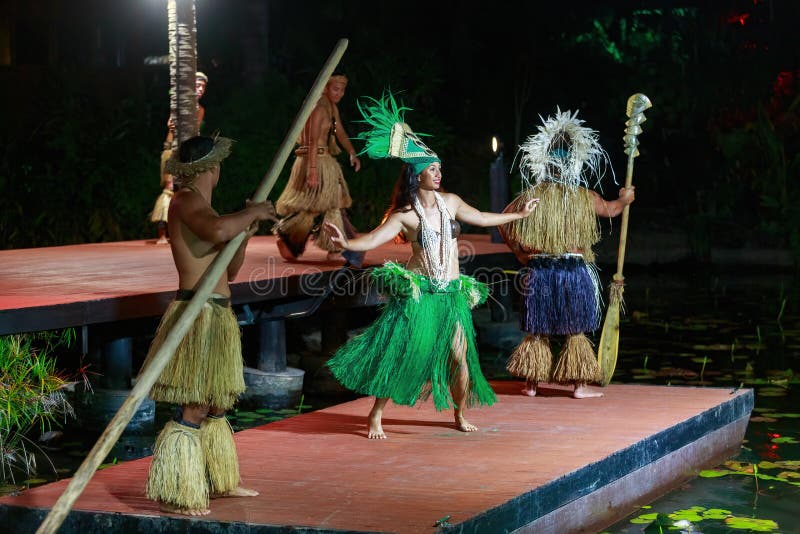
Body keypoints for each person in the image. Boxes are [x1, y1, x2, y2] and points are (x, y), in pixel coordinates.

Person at [324, 92, 538, 439]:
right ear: (418, 175)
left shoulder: (451, 202)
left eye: (439, 168)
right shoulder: (406, 216)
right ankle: (376, 413)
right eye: (433, 169)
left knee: (460, 357)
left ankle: (458, 412)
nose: (439, 174)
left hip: (452, 293)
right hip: (421, 294)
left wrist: (519, 213)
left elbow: (482, 217)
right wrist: (347, 243)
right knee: (407, 354)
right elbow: (374, 239)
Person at [140, 135, 276, 516]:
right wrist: (252, 213)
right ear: (210, 168)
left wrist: (246, 235)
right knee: (196, 403)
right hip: (195, 314)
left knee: (218, 402)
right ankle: (177, 491)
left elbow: (229, 268)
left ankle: (218, 482)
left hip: (218, 312)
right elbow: (216, 231)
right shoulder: (185, 201)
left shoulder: (207, 208)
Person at [499, 109, 635, 399]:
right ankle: (579, 386)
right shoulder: (583, 196)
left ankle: (532, 385)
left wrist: (520, 252)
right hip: (572, 271)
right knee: (574, 329)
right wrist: (624, 200)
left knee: (538, 329)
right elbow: (611, 210)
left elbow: (504, 220)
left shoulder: (531, 196)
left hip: (539, 270)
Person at [273, 73, 364, 266]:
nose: (339, 94)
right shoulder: (319, 108)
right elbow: (313, 140)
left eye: (342, 90)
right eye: (335, 89)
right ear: (325, 88)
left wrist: (351, 152)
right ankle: (331, 247)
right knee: (328, 204)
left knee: (320, 205)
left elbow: (339, 131)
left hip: (320, 160)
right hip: (316, 160)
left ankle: (290, 238)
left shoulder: (331, 108)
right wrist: (312, 170)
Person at [150, 72, 210, 245]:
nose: (200, 89)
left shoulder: (200, 110)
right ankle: (162, 234)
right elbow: (170, 124)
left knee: (189, 192)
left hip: (189, 152)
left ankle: (185, 232)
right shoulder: (179, 103)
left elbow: (195, 132)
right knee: (169, 189)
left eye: (203, 87)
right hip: (173, 150)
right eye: (197, 86)